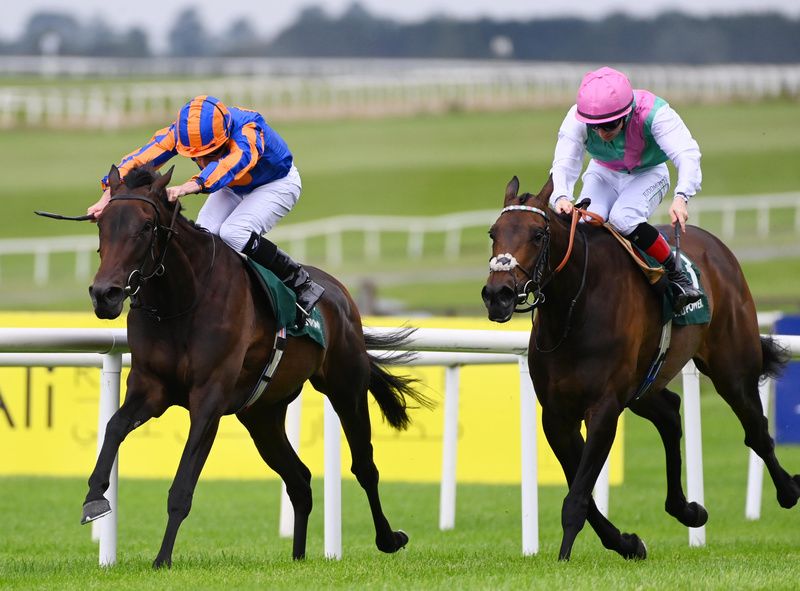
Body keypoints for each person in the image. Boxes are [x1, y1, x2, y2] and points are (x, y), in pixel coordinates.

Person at [87, 94, 324, 326]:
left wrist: (191, 185)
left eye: (210, 154)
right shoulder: (181, 134)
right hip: (232, 186)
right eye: (196, 157)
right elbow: (140, 159)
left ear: (225, 136)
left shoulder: (250, 130)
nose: (202, 161)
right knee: (205, 236)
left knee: (234, 232)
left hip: (276, 184)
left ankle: (300, 282)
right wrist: (106, 195)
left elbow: (231, 165)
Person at [549, 66, 702, 312]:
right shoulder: (576, 118)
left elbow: (687, 154)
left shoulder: (656, 114)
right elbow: (564, 163)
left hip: (648, 173)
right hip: (603, 171)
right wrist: (561, 197)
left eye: (608, 126)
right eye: (594, 127)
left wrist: (682, 196)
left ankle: (676, 275)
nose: (601, 133)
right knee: (587, 222)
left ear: (627, 113)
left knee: (623, 218)